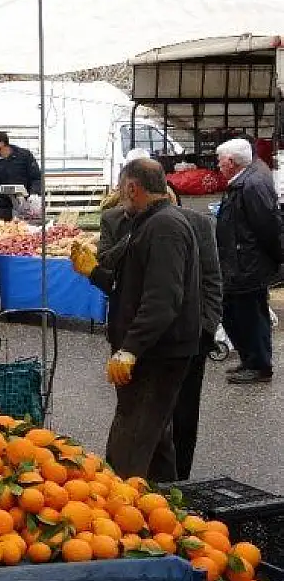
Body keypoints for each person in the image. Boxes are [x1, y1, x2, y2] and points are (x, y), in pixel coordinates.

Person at [88, 159, 201, 482]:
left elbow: (162, 299)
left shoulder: (164, 226)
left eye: (122, 188)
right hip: (155, 350)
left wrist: (131, 349)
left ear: (132, 188)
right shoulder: (149, 222)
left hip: (157, 353)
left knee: (131, 439)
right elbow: (130, 283)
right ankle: (167, 507)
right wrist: (94, 272)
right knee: (154, 438)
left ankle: (122, 515)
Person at [215, 138, 281, 384]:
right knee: (238, 313)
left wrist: (275, 258)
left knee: (250, 315)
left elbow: (267, 226)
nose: (218, 165)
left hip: (247, 264)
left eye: (220, 161)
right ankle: (251, 360)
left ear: (231, 162)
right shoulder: (247, 178)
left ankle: (259, 365)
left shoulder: (250, 185)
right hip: (241, 262)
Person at [0, 131, 42, 220]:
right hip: (4, 209)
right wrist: (10, 193)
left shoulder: (24, 155)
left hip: (27, 205)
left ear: (1, 144)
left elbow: (36, 178)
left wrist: (34, 194)